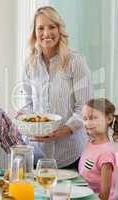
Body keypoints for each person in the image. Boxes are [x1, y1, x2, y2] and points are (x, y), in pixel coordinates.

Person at [18, 6, 93, 169]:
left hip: (70, 153)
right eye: (41, 28)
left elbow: (85, 108)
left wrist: (61, 132)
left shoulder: (75, 61)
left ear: (59, 30)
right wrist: (22, 117)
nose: (46, 33)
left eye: (52, 27)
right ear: (34, 33)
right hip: (37, 153)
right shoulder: (29, 64)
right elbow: (28, 104)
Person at [79, 98, 118, 200]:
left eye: (93, 118)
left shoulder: (106, 153)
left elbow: (104, 195)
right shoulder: (90, 144)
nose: (87, 123)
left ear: (108, 119)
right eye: (85, 119)